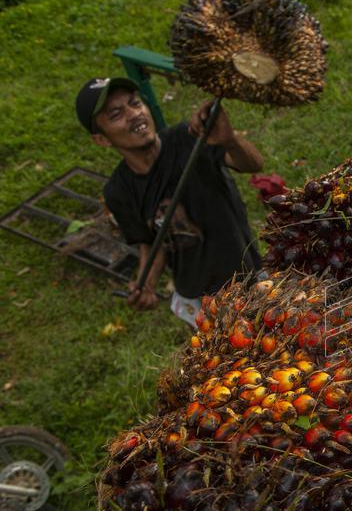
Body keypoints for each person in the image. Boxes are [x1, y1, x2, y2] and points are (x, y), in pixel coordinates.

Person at [75, 76, 264, 327]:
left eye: (135, 103)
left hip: (247, 276)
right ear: (102, 139)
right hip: (196, 296)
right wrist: (147, 284)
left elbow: (253, 164)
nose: (134, 114)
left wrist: (230, 141)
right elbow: (149, 242)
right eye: (116, 114)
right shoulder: (118, 191)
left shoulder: (188, 139)